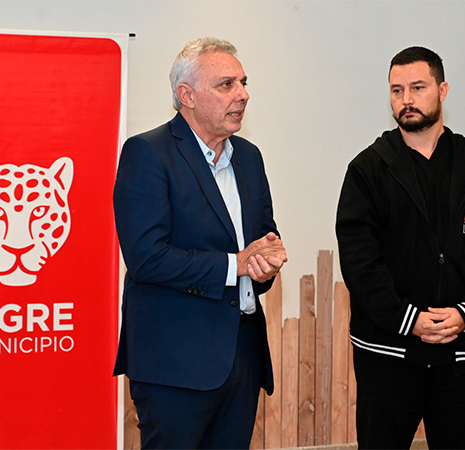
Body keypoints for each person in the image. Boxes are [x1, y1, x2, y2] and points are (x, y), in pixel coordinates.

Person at [335, 46, 465, 449]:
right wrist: (408, 320)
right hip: (387, 352)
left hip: (462, 352)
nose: (407, 99)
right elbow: (359, 261)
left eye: (418, 87)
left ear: (442, 90)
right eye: (397, 90)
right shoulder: (367, 170)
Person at [112, 37, 287, 449]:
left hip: (242, 354)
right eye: (226, 84)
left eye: (243, 83)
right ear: (186, 95)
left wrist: (265, 265)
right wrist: (236, 265)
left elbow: (260, 241)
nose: (242, 94)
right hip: (175, 363)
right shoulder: (147, 153)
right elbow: (146, 257)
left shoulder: (249, 157)